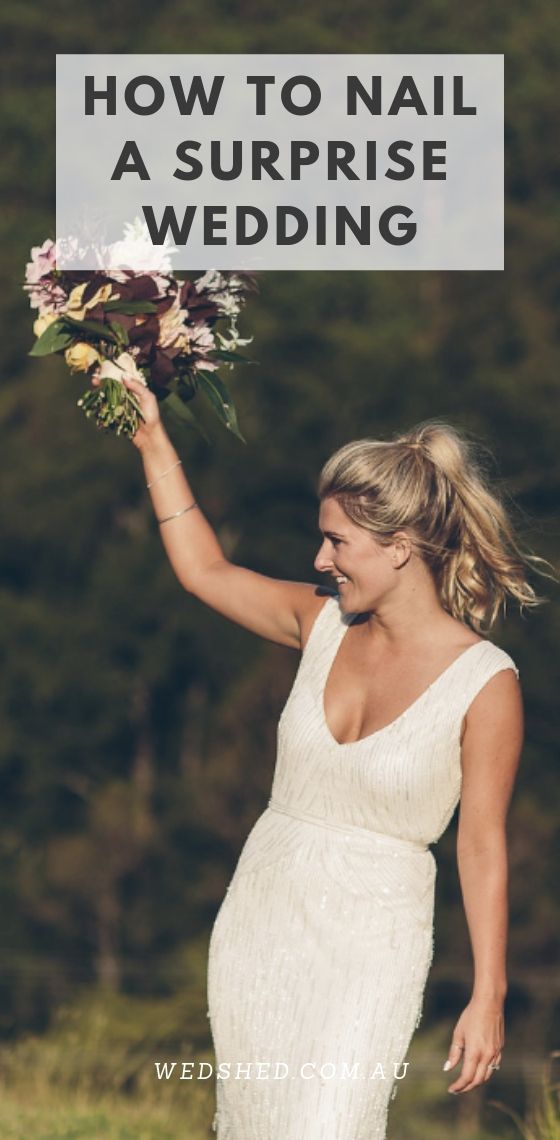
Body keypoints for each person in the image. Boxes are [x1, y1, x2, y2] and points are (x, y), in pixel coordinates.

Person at [120, 374, 543, 1139]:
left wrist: (490, 994)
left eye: (338, 542)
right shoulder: (318, 626)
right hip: (261, 920)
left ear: (401, 548)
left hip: (372, 945)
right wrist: (154, 438)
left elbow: (482, 845)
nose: (321, 559)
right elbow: (204, 571)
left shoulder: (486, 685)